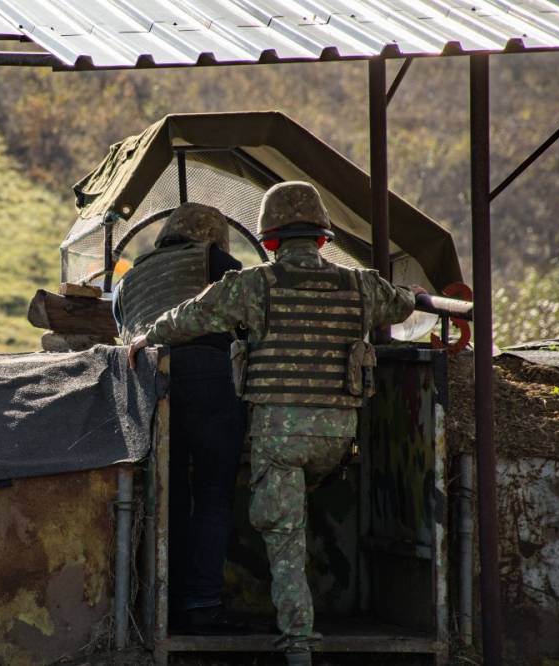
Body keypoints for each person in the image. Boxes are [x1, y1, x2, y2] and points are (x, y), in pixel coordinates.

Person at [127, 182, 425, 665]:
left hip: (279, 438)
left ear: (268, 240)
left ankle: (298, 643)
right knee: (297, 509)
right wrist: (416, 295)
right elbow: (402, 303)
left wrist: (148, 335)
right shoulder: (362, 285)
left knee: (284, 535)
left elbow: (191, 316)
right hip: (338, 440)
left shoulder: (253, 285)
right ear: (323, 238)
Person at [113, 202, 248, 635]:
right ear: (215, 235)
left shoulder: (129, 278)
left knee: (165, 496)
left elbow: (123, 331)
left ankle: (162, 606)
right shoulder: (217, 262)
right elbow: (249, 321)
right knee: (212, 493)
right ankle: (203, 606)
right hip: (207, 373)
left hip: (149, 383)